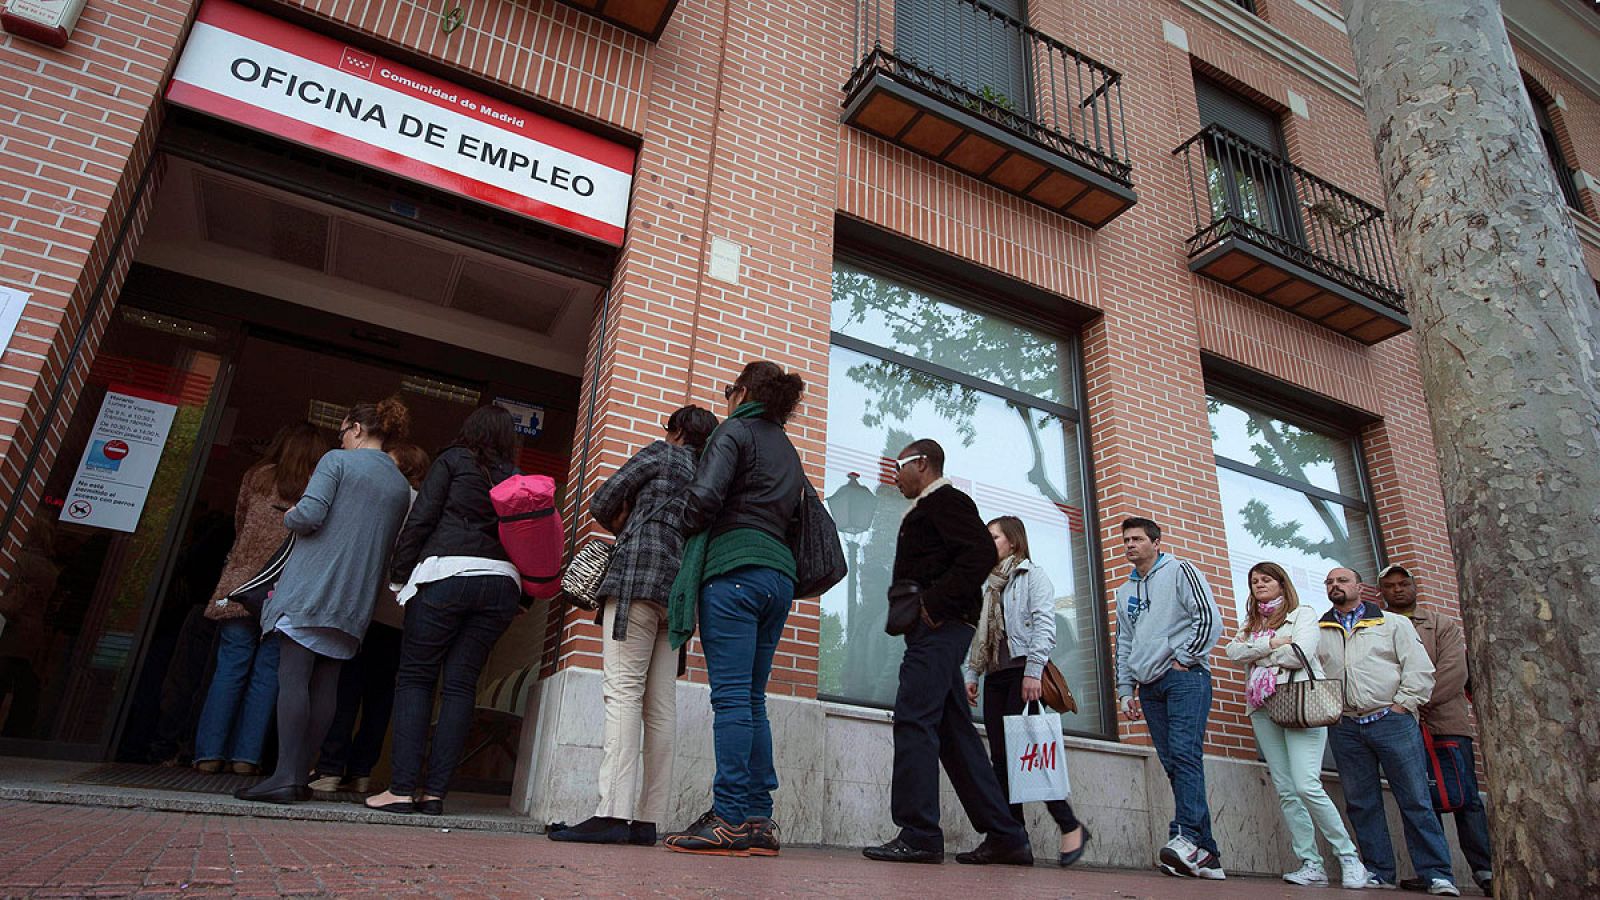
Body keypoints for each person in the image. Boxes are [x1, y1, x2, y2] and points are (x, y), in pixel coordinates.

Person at [551, 405, 718, 846]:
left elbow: (602, 500)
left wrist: (623, 522)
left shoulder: (660, 454)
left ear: (677, 430)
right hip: (678, 598)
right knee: (660, 707)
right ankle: (647, 819)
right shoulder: (709, 477)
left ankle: (611, 812)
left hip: (636, 585)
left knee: (623, 692)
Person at [862, 439, 1032, 867]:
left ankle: (919, 833)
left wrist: (932, 607)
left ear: (922, 463)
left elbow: (978, 554)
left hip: (942, 628)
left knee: (914, 717)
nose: (893, 475)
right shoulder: (926, 507)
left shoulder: (948, 500)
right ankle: (1007, 835)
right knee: (955, 735)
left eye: (899, 466)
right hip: (935, 630)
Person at [234, 398, 413, 804]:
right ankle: (300, 774)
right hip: (356, 598)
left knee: (293, 678)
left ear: (355, 429)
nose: (341, 439)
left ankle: (285, 775)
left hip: (313, 585)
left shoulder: (337, 462)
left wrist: (290, 513)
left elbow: (310, 516)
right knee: (328, 683)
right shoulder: (399, 484)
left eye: (342, 432)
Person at [661, 361, 806, 857]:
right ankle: (759, 821)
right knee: (752, 698)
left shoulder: (734, 431)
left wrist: (676, 519)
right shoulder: (788, 449)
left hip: (734, 572)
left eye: (728, 391)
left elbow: (703, 499)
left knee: (730, 700)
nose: (725, 399)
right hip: (778, 577)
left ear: (742, 392)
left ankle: (726, 819)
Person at [364, 406, 525, 816]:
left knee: (417, 679)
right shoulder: (515, 478)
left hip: (447, 574)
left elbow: (422, 519)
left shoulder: (452, 461)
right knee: (460, 686)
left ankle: (401, 789)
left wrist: (399, 577)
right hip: (501, 584)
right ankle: (435, 793)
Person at [1223, 562, 1366, 889]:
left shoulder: (1302, 613)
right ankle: (1310, 863)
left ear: (1281, 583)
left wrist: (1258, 653)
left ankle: (1348, 856)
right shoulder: (1251, 622)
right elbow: (1233, 651)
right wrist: (1272, 644)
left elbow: (1299, 653)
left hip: (1301, 702)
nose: (1259, 584)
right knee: (1287, 789)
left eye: (1266, 579)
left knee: (1306, 784)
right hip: (1262, 708)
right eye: (1254, 580)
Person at [193, 423, 325, 777]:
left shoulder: (258, 476)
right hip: (284, 589)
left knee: (230, 668)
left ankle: (208, 754)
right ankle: (245, 757)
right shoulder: (319, 487)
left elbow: (239, 523)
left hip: (242, 582)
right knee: (268, 673)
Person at [1318, 567, 1458, 896]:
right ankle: (1379, 871)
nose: (1335, 586)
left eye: (1342, 580)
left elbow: (1418, 667)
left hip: (1391, 720)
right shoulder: (1320, 629)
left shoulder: (1392, 623)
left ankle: (1437, 874)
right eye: (1329, 582)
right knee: (1361, 803)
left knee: (1415, 799)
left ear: (1360, 588)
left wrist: (1403, 705)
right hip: (1346, 725)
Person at [964, 516, 1088, 867]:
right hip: (997, 676)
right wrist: (972, 674)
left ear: (1013, 542)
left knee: (1029, 756)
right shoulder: (989, 584)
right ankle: (1012, 839)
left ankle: (1068, 825)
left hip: (1022, 674)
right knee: (1002, 762)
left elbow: (1045, 626)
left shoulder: (1032, 576)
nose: (989, 543)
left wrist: (1033, 672)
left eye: (994, 537)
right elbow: (980, 635)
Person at [310, 443, 431, 795]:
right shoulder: (423, 505)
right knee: (381, 698)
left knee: (346, 689)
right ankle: (362, 770)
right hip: (402, 615)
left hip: (368, 607)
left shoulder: (387, 496)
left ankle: (330, 768)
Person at [1114, 516, 1224, 880]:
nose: (1130, 545)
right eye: (1126, 539)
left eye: (1138, 539)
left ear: (1156, 542)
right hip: (1149, 686)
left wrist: (1184, 657)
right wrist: (1125, 689)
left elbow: (1208, 618)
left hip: (1184, 679)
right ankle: (1207, 854)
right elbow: (1124, 643)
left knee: (1184, 754)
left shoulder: (1181, 570)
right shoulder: (1124, 590)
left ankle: (1187, 836)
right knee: (1174, 762)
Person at [1377, 564, 1492, 896]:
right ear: (1381, 592)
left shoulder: (1441, 624)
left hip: (1444, 723)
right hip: (1401, 726)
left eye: (1403, 584)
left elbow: (1454, 670)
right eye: (1389, 585)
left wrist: (1414, 700)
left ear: (1414, 586)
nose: (1398, 590)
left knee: (1465, 797)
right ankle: (1434, 872)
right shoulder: (1379, 626)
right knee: (1419, 799)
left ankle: (1485, 870)